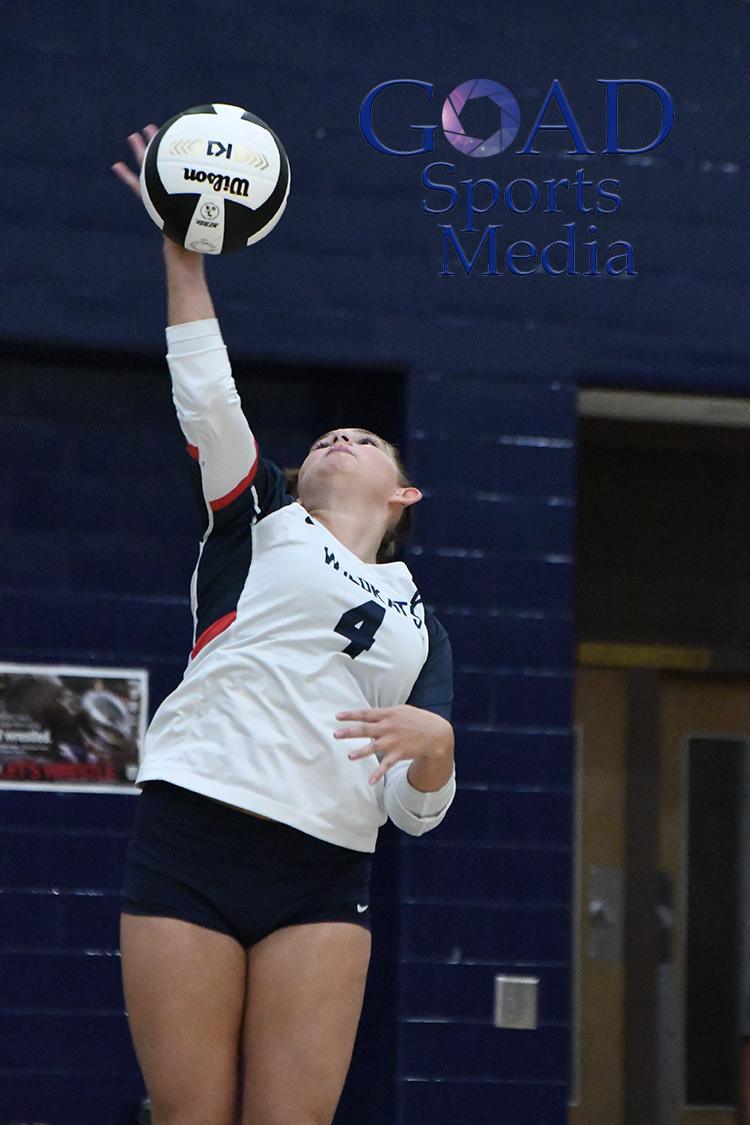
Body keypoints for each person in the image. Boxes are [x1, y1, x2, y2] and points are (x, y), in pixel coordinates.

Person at [111, 126, 457, 1125]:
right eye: (326, 436)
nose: (337, 438)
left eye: (363, 437)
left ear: (404, 490)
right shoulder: (255, 513)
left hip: (323, 862)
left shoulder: (424, 624)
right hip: (192, 829)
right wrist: (184, 257)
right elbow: (208, 394)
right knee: (192, 1114)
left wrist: (434, 751)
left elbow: (415, 811)